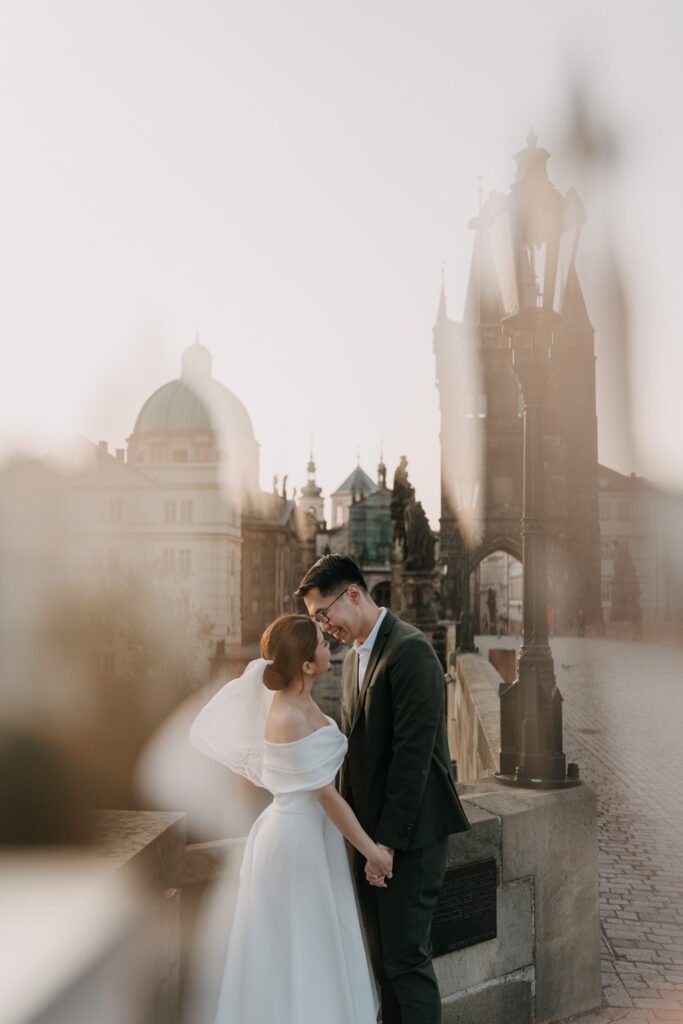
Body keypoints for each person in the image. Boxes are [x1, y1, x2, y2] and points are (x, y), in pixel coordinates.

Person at [296, 554, 471, 1024]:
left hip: (408, 839)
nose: (323, 626)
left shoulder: (411, 650)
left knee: (407, 961)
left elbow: (411, 762)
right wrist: (360, 844)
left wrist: (386, 846)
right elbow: (358, 757)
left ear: (353, 593)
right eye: (317, 620)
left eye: (322, 614)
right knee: (382, 964)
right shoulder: (354, 657)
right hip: (372, 841)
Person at [190, 613, 389, 1023]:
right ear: (306, 664)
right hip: (297, 841)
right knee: (301, 950)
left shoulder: (300, 701)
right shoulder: (289, 716)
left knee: (316, 946)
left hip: (310, 836)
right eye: (321, 642)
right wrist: (373, 852)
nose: (328, 645)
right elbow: (327, 796)